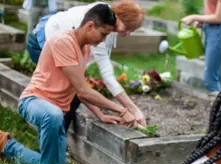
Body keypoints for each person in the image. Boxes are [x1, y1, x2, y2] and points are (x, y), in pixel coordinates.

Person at [0, 4, 137, 164]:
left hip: (55, 112)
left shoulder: (85, 48)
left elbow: (80, 88)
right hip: (34, 101)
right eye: (103, 34)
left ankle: (6, 145)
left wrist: (100, 114)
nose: (103, 41)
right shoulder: (63, 41)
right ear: (90, 26)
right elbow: (83, 91)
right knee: (54, 117)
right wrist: (122, 109)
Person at [26, 0, 146, 131]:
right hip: (40, 40)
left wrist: (100, 114)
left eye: (131, 30)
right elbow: (105, 79)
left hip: (56, 35)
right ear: (118, 16)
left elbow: (82, 87)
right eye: (127, 28)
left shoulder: (104, 23)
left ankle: (58, 139)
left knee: (72, 93)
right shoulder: (97, 26)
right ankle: (51, 140)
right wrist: (132, 110)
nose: (127, 33)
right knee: (61, 95)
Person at [182, 0, 221, 97]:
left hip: (219, 31)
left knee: (211, 80)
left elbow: (219, 18)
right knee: (215, 76)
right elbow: (213, 11)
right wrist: (203, 20)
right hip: (212, 29)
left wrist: (194, 17)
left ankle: (218, 107)